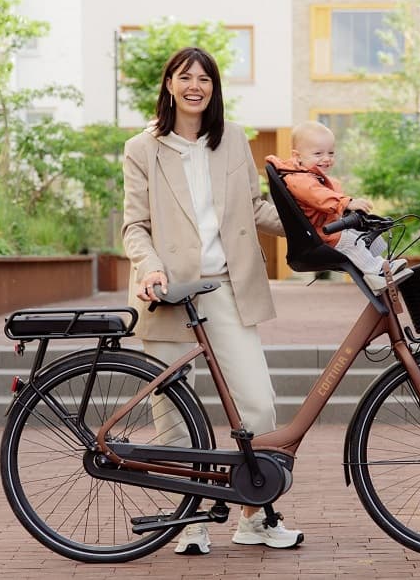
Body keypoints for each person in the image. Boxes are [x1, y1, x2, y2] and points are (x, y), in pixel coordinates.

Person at [122, 46, 304, 555]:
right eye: (186, 77)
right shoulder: (143, 148)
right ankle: (190, 523)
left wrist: (312, 226)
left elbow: (254, 208)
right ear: (170, 85)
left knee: (259, 406)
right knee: (173, 418)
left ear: (213, 87)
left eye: (204, 77)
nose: (195, 85)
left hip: (224, 287)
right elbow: (134, 225)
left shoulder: (231, 142)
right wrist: (150, 266)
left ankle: (253, 518)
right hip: (167, 293)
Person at [266, 121, 413, 293]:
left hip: (328, 228)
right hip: (320, 234)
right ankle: (379, 272)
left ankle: (381, 265)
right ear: (297, 156)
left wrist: (349, 209)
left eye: (331, 153)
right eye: (318, 153)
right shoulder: (299, 180)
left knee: (365, 235)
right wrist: (346, 202)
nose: (326, 158)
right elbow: (318, 196)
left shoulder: (307, 176)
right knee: (351, 241)